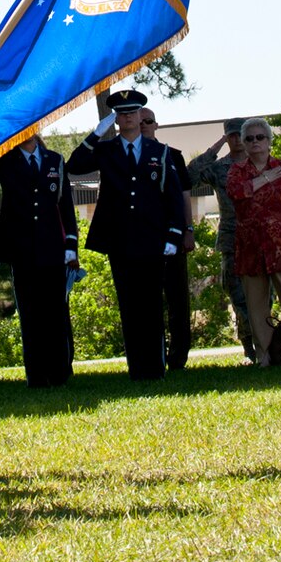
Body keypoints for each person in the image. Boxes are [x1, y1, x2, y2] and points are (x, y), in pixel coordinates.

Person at [68, 89, 188, 380]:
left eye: (132, 113)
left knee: (151, 304)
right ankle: (137, 368)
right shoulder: (106, 150)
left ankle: (155, 367)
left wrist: (174, 236)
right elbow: (74, 166)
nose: (128, 118)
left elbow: (173, 197)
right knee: (129, 306)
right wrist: (96, 134)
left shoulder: (159, 152)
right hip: (119, 239)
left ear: (139, 116)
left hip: (152, 238)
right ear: (116, 120)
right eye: (122, 114)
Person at [0, 133, 77, 387]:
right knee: (31, 316)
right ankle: (36, 376)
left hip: (52, 249)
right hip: (23, 251)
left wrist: (70, 244)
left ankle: (59, 373)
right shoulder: (6, 162)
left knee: (55, 314)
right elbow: (0, 206)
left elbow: (65, 206)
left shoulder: (54, 160)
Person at [226, 118, 281, 366]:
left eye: (259, 137)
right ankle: (263, 357)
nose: (255, 142)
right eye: (249, 138)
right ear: (243, 143)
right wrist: (262, 180)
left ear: (269, 141)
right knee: (256, 306)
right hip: (250, 248)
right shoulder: (237, 171)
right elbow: (236, 193)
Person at [187, 120, 253, 360]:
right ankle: (249, 350)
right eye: (231, 135)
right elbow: (190, 176)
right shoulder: (219, 167)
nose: (237, 140)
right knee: (238, 297)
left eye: (240, 135)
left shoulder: (261, 162)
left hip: (261, 240)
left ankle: (269, 345)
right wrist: (217, 146)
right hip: (231, 241)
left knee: (265, 297)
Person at [139, 107, 194, 371]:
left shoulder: (172, 156)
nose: (142, 126)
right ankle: (153, 354)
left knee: (177, 299)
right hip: (142, 241)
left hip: (171, 237)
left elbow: (184, 195)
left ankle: (179, 356)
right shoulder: (129, 157)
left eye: (147, 121)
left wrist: (188, 230)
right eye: (138, 122)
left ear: (156, 125)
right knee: (148, 301)